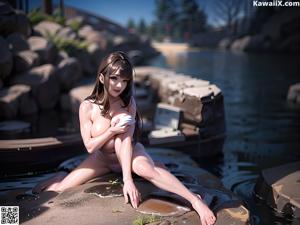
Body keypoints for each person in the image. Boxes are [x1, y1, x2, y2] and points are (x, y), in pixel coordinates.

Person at [33, 51, 216, 225]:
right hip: (102, 159)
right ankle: (60, 175)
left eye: (124, 80)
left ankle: (194, 200)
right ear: (102, 77)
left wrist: (127, 180)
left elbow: (125, 142)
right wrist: (111, 130)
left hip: (130, 153)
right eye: (114, 78)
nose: (120, 85)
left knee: (145, 169)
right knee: (59, 189)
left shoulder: (127, 104)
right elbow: (90, 147)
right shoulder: (87, 107)